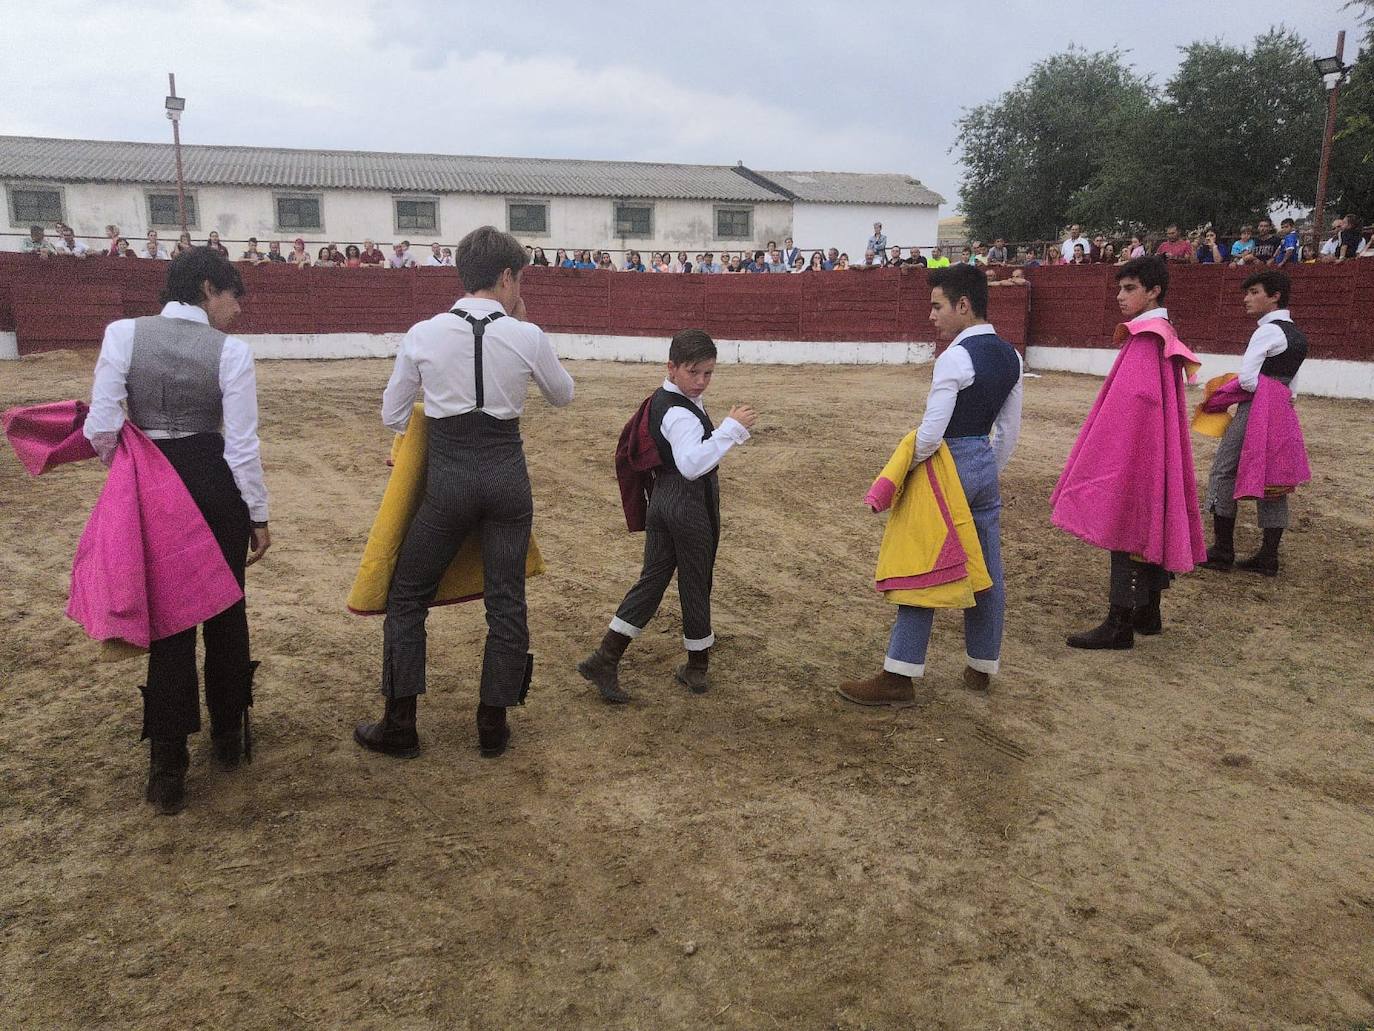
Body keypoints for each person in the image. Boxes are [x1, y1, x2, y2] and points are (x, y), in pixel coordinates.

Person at [358, 226, 575, 759]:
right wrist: (521, 329)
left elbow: (391, 414)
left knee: (407, 595)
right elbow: (563, 395)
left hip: (449, 481)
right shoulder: (527, 335)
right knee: (507, 599)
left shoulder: (423, 333)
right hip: (506, 477)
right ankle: (492, 725)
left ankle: (401, 722)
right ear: (506, 276)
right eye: (519, 278)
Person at [82, 247, 271, 814]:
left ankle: (167, 767)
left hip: (151, 486)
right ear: (209, 288)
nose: (237, 309)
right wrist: (257, 514)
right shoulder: (230, 352)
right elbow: (240, 446)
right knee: (225, 607)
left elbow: (101, 427)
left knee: (167, 622)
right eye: (234, 295)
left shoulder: (122, 334)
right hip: (213, 485)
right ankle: (230, 737)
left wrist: (133, 469)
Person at [837, 264, 1022, 704]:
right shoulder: (1010, 355)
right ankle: (981, 667)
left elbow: (930, 432)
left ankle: (898, 676)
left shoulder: (955, 358)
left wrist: (908, 467)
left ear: (963, 305)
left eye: (937, 306)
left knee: (924, 560)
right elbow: (1009, 433)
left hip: (945, 466)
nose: (932, 316)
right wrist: (986, 467)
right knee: (985, 568)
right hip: (982, 464)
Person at [576, 329, 757, 702]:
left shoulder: (668, 399)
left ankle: (605, 657)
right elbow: (692, 464)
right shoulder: (678, 412)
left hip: (662, 500)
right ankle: (697, 667)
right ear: (672, 368)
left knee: (653, 579)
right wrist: (730, 430)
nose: (702, 382)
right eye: (695, 373)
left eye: (708, 373)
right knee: (695, 579)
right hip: (687, 502)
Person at [1053, 256, 1206, 649]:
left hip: (1134, 451)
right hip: (1154, 447)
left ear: (1154, 291)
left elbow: (1133, 404)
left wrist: (1112, 455)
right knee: (1150, 516)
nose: (1120, 296)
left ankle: (1119, 622)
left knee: (1126, 522)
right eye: (1120, 288)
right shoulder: (1161, 332)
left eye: (1130, 288)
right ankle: (1147, 611)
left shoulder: (1147, 337)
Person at [1200, 269, 1309, 576]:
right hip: (1282, 409)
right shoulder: (1297, 335)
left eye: (1254, 292)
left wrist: (1264, 395)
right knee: (1274, 477)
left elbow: (1248, 379)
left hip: (1258, 408)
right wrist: (1278, 396)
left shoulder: (1267, 331)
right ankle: (1268, 556)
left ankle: (1222, 551)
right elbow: (1294, 387)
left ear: (1274, 297)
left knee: (1223, 470)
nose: (1247, 299)